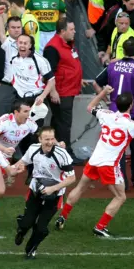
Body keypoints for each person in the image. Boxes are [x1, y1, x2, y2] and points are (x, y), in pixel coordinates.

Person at [58, 87, 134, 236]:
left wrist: (103, 93)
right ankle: (100, 227)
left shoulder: (106, 114)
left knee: (80, 188)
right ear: (130, 106)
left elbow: (90, 107)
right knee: (120, 196)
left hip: (94, 161)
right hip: (109, 165)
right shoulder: (132, 125)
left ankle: (62, 217)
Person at [93, 38, 134, 189]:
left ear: (123, 51)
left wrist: (106, 99)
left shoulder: (112, 66)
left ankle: (120, 181)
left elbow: (96, 83)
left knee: (117, 150)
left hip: (114, 114)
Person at [14, 126, 75, 259]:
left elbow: (72, 178)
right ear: (40, 139)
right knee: (26, 223)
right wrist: (13, 170)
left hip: (54, 195)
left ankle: (31, 248)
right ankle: (21, 229)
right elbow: (22, 162)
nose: (49, 142)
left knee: (41, 228)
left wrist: (52, 189)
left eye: (52, 139)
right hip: (35, 190)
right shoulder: (33, 149)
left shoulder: (62, 155)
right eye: (46, 139)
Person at [43, 19, 83, 162]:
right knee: (64, 124)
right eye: (71, 29)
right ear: (62, 31)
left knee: (59, 122)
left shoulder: (67, 45)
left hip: (67, 90)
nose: (74, 32)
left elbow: (69, 65)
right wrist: (53, 92)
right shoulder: (52, 48)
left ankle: (55, 151)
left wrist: (78, 78)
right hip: (61, 92)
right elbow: (49, 73)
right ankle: (67, 155)